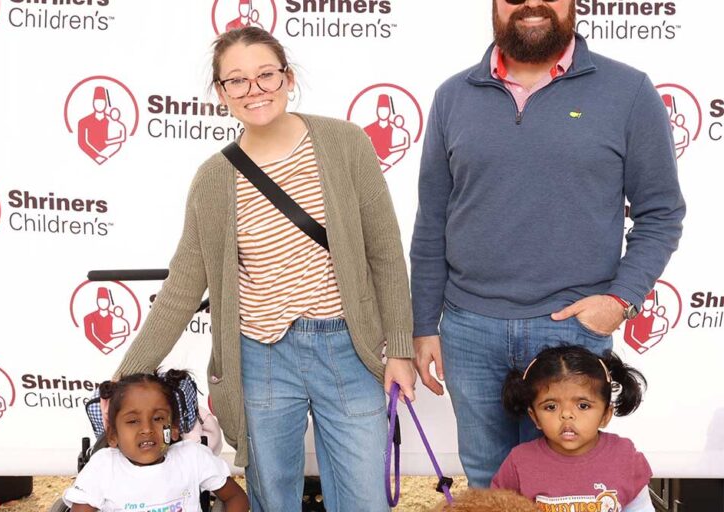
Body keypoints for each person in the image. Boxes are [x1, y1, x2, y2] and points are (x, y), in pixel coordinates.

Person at [113, 26, 415, 512]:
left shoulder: (344, 143)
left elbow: (384, 251)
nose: (254, 90)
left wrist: (400, 346)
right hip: (260, 358)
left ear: (288, 78)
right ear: (221, 93)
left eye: (266, 75)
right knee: (274, 499)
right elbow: (182, 288)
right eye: (237, 80)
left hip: (347, 346)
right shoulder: (214, 179)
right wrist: (123, 379)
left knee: (365, 500)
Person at [410, 0, 685, 487]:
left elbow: (661, 213)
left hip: (572, 330)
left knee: (569, 484)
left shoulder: (628, 91)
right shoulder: (453, 95)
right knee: (488, 481)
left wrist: (620, 301)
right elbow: (432, 219)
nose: (531, 4)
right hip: (470, 330)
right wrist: (423, 323)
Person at [491, 346, 653, 511]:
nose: (566, 415)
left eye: (583, 406)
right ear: (535, 417)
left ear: (606, 415)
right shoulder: (519, 462)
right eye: (551, 407)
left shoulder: (624, 456)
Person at [64, 371, 248, 512]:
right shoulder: (103, 468)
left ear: (174, 428)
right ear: (112, 435)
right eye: (133, 421)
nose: (147, 429)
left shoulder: (193, 458)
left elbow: (237, 498)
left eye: (159, 419)